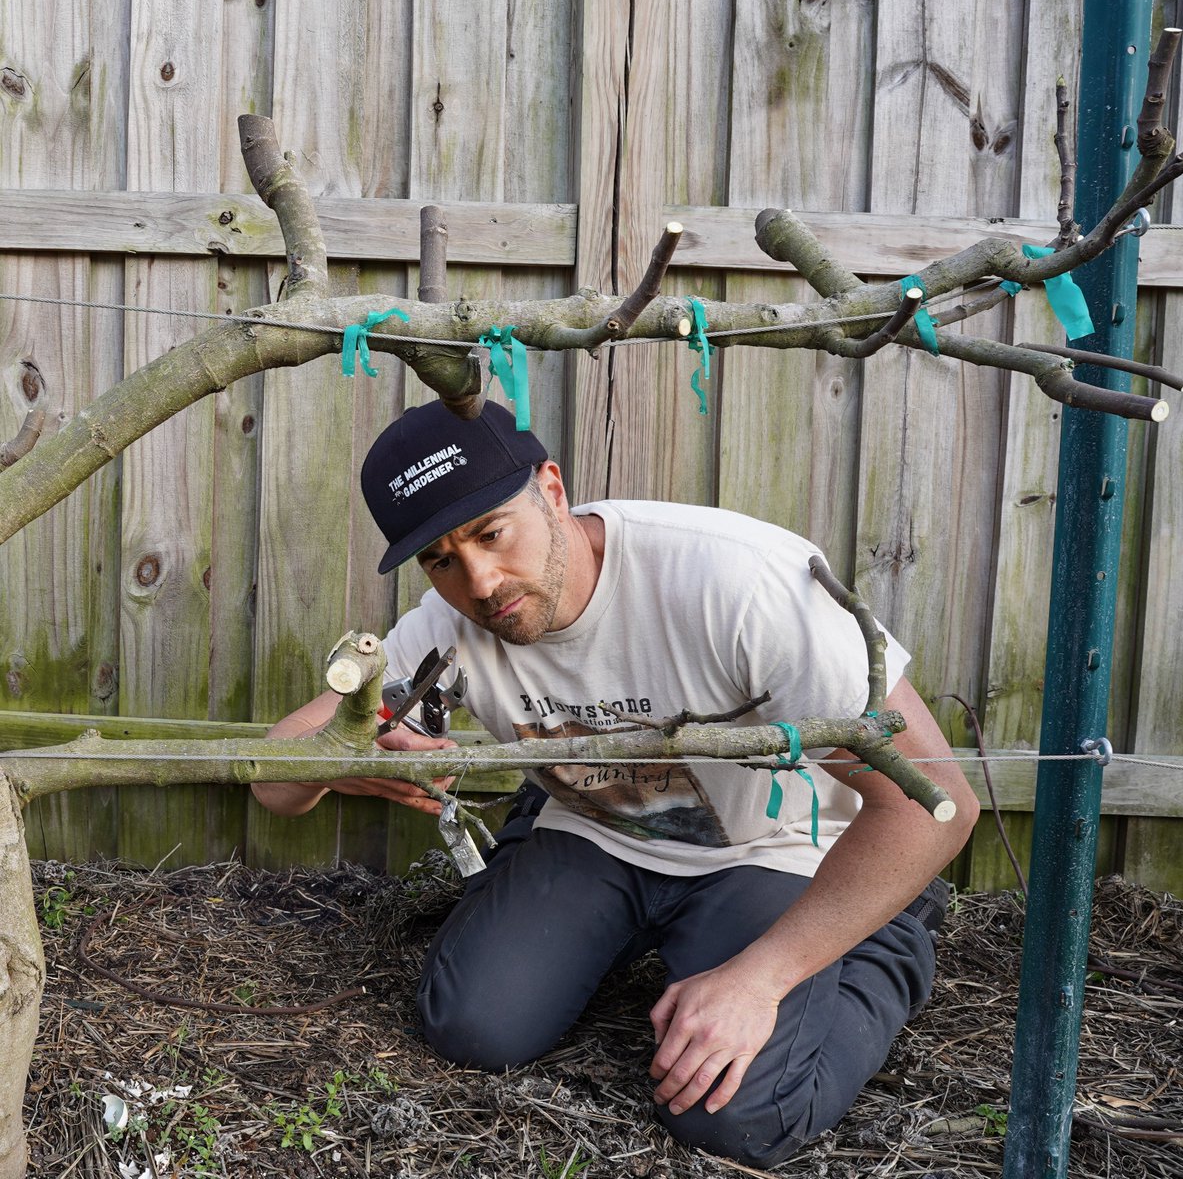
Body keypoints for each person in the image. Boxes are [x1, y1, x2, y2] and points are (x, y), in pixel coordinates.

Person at [253, 400, 979, 1167]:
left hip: (785, 847)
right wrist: (342, 755)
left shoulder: (739, 584)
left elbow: (936, 806)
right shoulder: (447, 625)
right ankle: (635, 930)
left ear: (553, 489)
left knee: (736, 1119)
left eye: (492, 533)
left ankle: (881, 933)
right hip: (596, 828)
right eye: (440, 559)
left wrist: (760, 980)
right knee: (473, 1029)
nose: (481, 582)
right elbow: (276, 775)